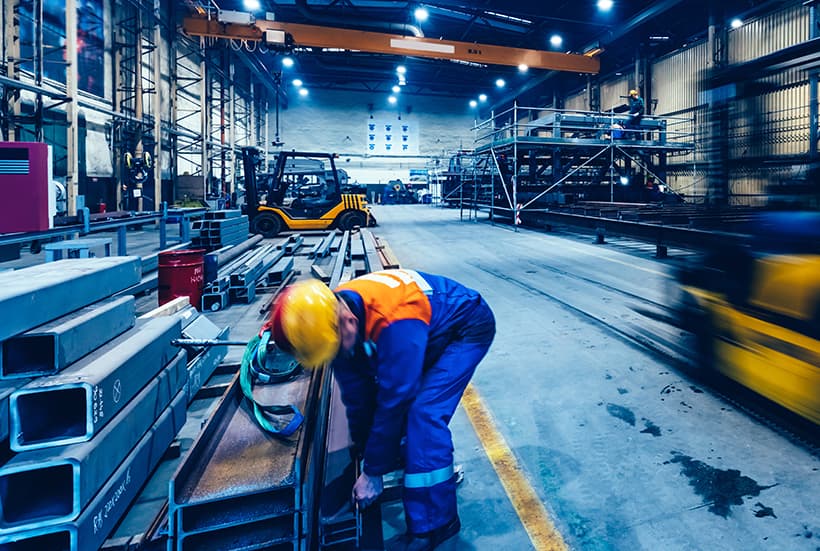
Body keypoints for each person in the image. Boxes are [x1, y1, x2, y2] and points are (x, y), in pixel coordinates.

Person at [269, 271, 496, 550]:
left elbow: (396, 399)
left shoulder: (395, 320)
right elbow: (357, 396)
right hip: (429, 327)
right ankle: (407, 458)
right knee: (384, 395)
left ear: (348, 320)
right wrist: (366, 454)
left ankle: (437, 525)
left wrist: (373, 473)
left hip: (466, 327)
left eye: (338, 345)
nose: (338, 352)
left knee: (422, 415)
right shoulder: (331, 317)